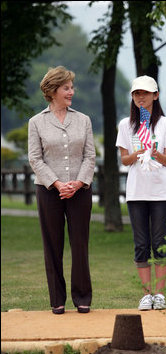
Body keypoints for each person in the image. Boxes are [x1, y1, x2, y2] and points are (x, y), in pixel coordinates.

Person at [28, 66, 96, 314]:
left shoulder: (83, 120)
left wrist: (77, 183)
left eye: (71, 87)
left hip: (80, 191)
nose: (71, 92)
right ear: (53, 90)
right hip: (48, 191)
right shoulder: (36, 122)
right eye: (66, 88)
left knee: (80, 245)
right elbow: (35, 159)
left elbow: (90, 157)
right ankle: (57, 299)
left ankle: (82, 296)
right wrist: (57, 183)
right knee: (52, 245)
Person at [116, 75, 166, 310]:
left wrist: (154, 152)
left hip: (161, 192)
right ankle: (146, 294)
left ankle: (160, 294)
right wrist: (138, 152)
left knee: (160, 242)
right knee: (141, 243)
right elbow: (124, 160)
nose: (140, 97)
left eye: (144, 93)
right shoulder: (126, 125)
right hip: (136, 192)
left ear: (156, 95)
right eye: (136, 94)